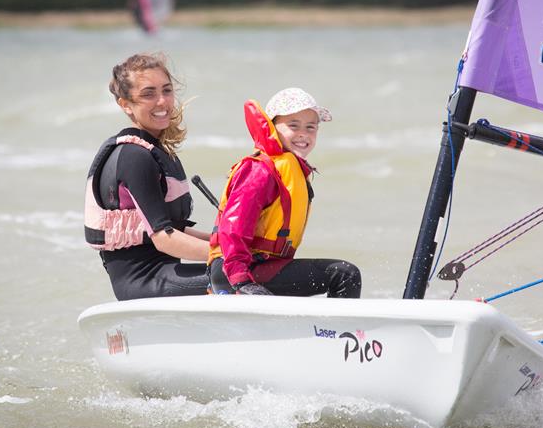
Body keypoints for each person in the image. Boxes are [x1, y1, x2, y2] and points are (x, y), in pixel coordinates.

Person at [207, 87, 362, 298]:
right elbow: (234, 228)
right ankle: (342, 332)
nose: (303, 134)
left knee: (341, 272)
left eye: (311, 127)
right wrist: (240, 280)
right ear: (271, 126)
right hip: (236, 271)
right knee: (344, 274)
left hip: (262, 267)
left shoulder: (291, 169)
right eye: (293, 125)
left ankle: (328, 330)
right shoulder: (260, 170)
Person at [84, 53, 210, 300]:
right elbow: (164, 239)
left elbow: (173, 227)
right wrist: (234, 253)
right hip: (144, 283)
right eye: (148, 94)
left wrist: (229, 240)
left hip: (166, 274)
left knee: (261, 268)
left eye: (167, 90)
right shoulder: (134, 156)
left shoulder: (156, 151)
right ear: (125, 104)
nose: (162, 101)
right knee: (247, 274)